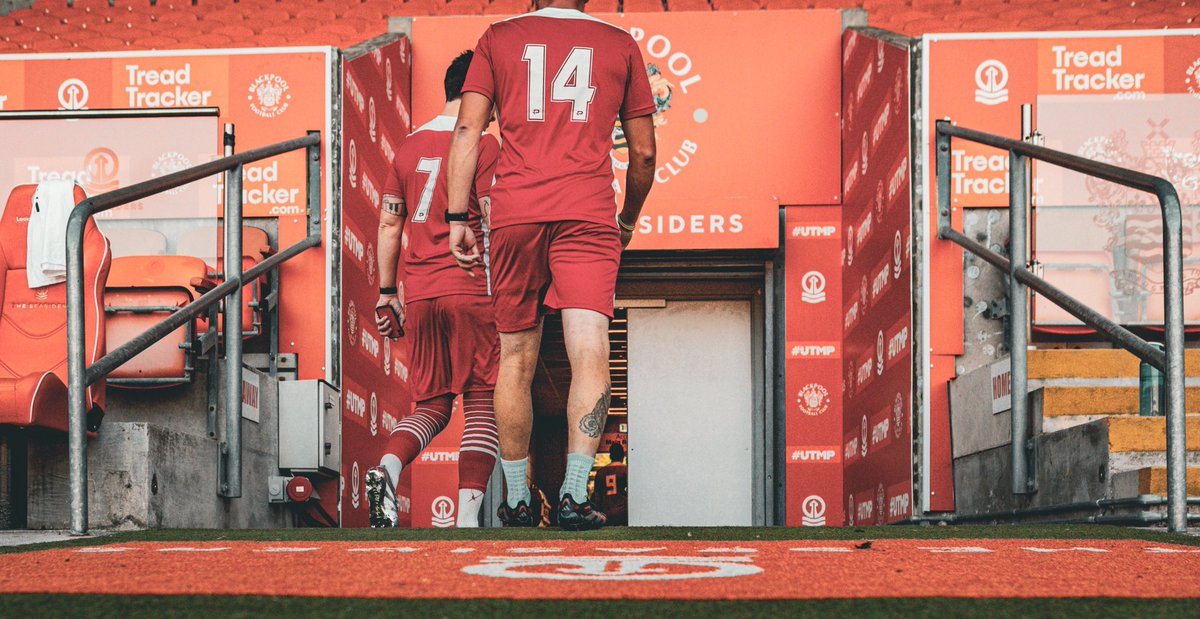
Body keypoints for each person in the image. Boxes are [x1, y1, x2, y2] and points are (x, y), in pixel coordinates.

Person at [444, 0, 657, 530]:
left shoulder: (498, 36)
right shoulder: (620, 42)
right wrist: (626, 220)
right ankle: (573, 495)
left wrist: (455, 217)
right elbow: (646, 155)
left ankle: (516, 500)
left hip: (516, 213)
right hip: (587, 213)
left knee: (514, 357)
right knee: (590, 352)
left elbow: (468, 130)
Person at [365, 50, 502, 529]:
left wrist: (387, 292)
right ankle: (467, 520)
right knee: (483, 401)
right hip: (472, 287)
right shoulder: (484, 147)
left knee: (432, 406)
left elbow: (388, 223)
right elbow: (493, 216)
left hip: (419, 291)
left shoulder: (406, 148)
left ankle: (388, 467)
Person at [593, 442, 628, 526]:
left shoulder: (601, 472)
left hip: (606, 511)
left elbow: (596, 496)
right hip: (623, 511)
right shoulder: (626, 471)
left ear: (610, 456)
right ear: (623, 456)